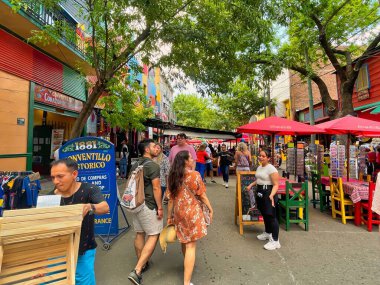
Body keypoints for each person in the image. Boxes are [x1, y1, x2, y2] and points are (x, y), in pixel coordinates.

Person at [50, 158, 110, 284]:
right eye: (53, 177)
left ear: (74, 174)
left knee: (83, 281)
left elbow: (105, 207)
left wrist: (90, 207)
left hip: (84, 249)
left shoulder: (89, 189)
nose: (56, 181)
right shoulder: (50, 198)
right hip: (57, 251)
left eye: (60, 176)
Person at [166, 150, 214, 285]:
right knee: (191, 245)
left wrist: (169, 216)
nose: (193, 160)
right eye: (191, 158)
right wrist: (210, 208)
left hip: (179, 212)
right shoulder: (195, 175)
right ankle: (186, 282)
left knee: (184, 240)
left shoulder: (172, 176)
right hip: (192, 212)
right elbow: (202, 195)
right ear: (186, 161)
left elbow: (170, 199)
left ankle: (187, 263)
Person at [128, 139, 163, 285]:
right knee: (154, 234)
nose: (158, 148)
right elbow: (156, 188)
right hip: (148, 204)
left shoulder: (136, 164)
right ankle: (137, 270)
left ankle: (143, 263)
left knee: (140, 233)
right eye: (155, 146)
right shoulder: (153, 165)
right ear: (147, 149)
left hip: (136, 203)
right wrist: (160, 207)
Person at [246, 149, 280, 250]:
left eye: (263, 156)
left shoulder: (271, 169)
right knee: (264, 213)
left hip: (268, 193)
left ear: (268, 158)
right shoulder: (260, 167)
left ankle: (275, 240)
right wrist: (251, 184)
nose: (260, 157)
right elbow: (260, 179)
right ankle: (267, 232)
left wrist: (271, 195)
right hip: (260, 192)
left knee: (271, 216)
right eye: (260, 155)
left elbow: (276, 184)